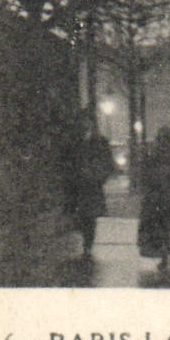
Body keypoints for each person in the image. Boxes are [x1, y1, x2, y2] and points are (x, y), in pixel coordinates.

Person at [62, 110, 116, 258]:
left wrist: (99, 176)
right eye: (81, 121)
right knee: (77, 213)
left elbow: (108, 163)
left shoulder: (100, 142)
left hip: (92, 185)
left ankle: (88, 244)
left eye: (86, 121)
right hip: (76, 185)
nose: (84, 124)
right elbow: (65, 162)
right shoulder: (72, 142)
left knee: (89, 216)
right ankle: (84, 237)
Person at [137, 127, 170, 271]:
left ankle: (165, 255)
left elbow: (144, 176)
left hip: (156, 198)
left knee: (159, 227)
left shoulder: (152, 155)